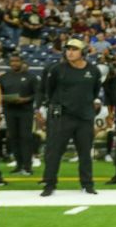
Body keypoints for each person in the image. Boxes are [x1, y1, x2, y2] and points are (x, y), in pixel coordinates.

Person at [39, 38, 101, 196]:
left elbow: (94, 92)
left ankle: (87, 185)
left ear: (83, 53)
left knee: (85, 153)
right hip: (62, 118)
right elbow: (49, 90)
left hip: (84, 118)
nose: (70, 52)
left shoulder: (93, 71)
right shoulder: (57, 69)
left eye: (74, 49)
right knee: (54, 152)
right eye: (68, 49)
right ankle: (49, 184)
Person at [0, 54, 40, 175]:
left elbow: (37, 93)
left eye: (17, 61)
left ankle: (27, 166)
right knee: (13, 138)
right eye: (12, 61)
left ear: (22, 62)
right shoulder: (4, 77)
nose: (14, 63)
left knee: (25, 138)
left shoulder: (31, 77)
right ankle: (18, 165)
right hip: (9, 110)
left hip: (25, 111)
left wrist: (26, 99)